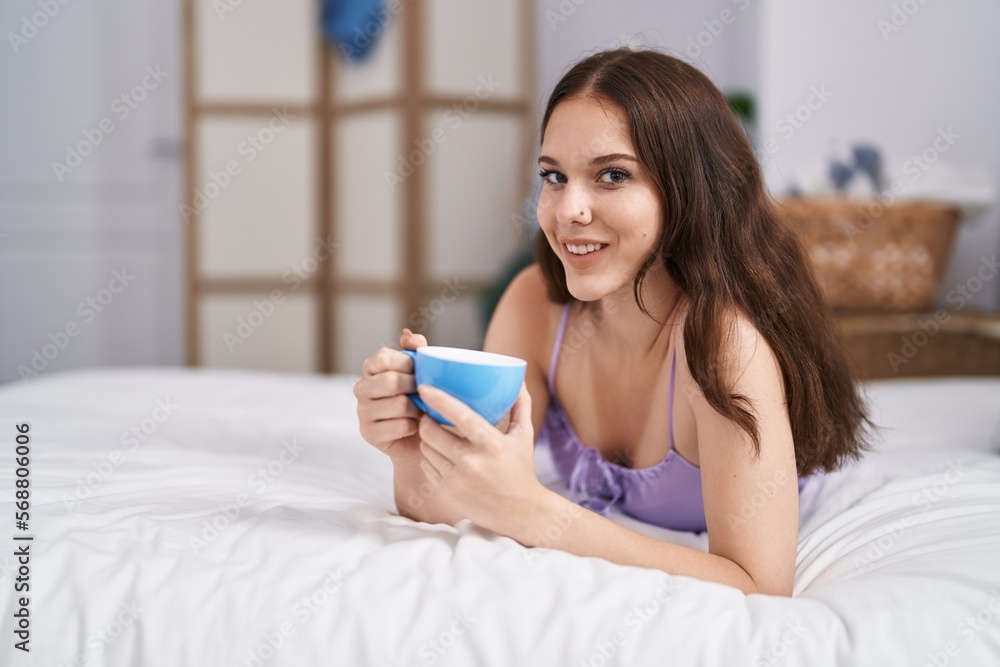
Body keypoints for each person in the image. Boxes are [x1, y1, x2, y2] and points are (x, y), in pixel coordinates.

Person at [353, 46, 874, 596]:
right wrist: (413, 455)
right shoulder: (534, 303)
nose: (568, 209)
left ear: (688, 191)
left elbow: (761, 585)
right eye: (554, 176)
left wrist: (536, 514)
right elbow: (462, 501)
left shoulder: (724, 343)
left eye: (612, 175)